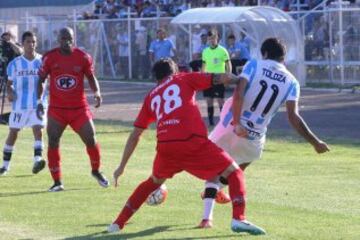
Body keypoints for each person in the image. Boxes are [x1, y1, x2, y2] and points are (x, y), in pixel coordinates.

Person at [107, 58, 265, 235]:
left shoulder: (151, 96)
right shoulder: (183, 78)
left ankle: (117, 224)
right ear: (174, 72)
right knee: (234, 172)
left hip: (166, 147)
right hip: (192, 142)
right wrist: (243, 80)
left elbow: (135, 134)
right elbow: (223, 77)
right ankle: (239, 218)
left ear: (156, 78)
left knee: (153, 182)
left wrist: (121, 166)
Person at [199, 38, 330, 227]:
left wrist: (237, 122)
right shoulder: (292, 82)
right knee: (237, 168)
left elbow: (239, 93)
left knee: (214, 166)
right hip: (254, 135)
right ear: (283, 58)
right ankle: (220, 191)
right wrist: (315, 142)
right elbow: (293, 117)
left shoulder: (254, 65)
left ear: (265, 53)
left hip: (231, 125)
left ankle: (207, 217)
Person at [36, 27, 109, 192]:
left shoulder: (83, 57)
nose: (66, 41)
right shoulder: (49, 57)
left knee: (91, 138)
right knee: (53, 141)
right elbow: (40, 79)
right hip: (57, 109)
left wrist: (97, 92)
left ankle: (96, 171)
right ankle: (57, 181)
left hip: (79, 108)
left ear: (73, 39)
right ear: (58, 39)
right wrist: (39, 100)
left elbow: (91, 77)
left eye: (69, 38)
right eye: (63, 38)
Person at [0, 31, 46, 176]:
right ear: (23, 43)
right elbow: (9, 83)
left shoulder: (42, 61)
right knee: (13, 132)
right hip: (20, 104)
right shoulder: (15, 64)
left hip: (38, 103)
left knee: (38, 129)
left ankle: (37, 160)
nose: (31, 45)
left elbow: (47, 81)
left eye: (33, 42)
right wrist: (10, 91)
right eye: (28, 42)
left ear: (36, 43)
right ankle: (5, 166)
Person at [202, 29, 231, 126]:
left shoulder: (223, 50)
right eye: (210, 38)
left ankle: (223, 122)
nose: (211, 40)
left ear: (217, 38)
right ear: (208, 39)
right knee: (209, 101)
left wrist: (227, 77)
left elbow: (228, 64)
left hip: (219, 79)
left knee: (220, 101)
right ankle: (211, 123)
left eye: (213, 38)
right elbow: (203, 66)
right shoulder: (205, 51)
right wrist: (201, 78)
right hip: (207, 79)